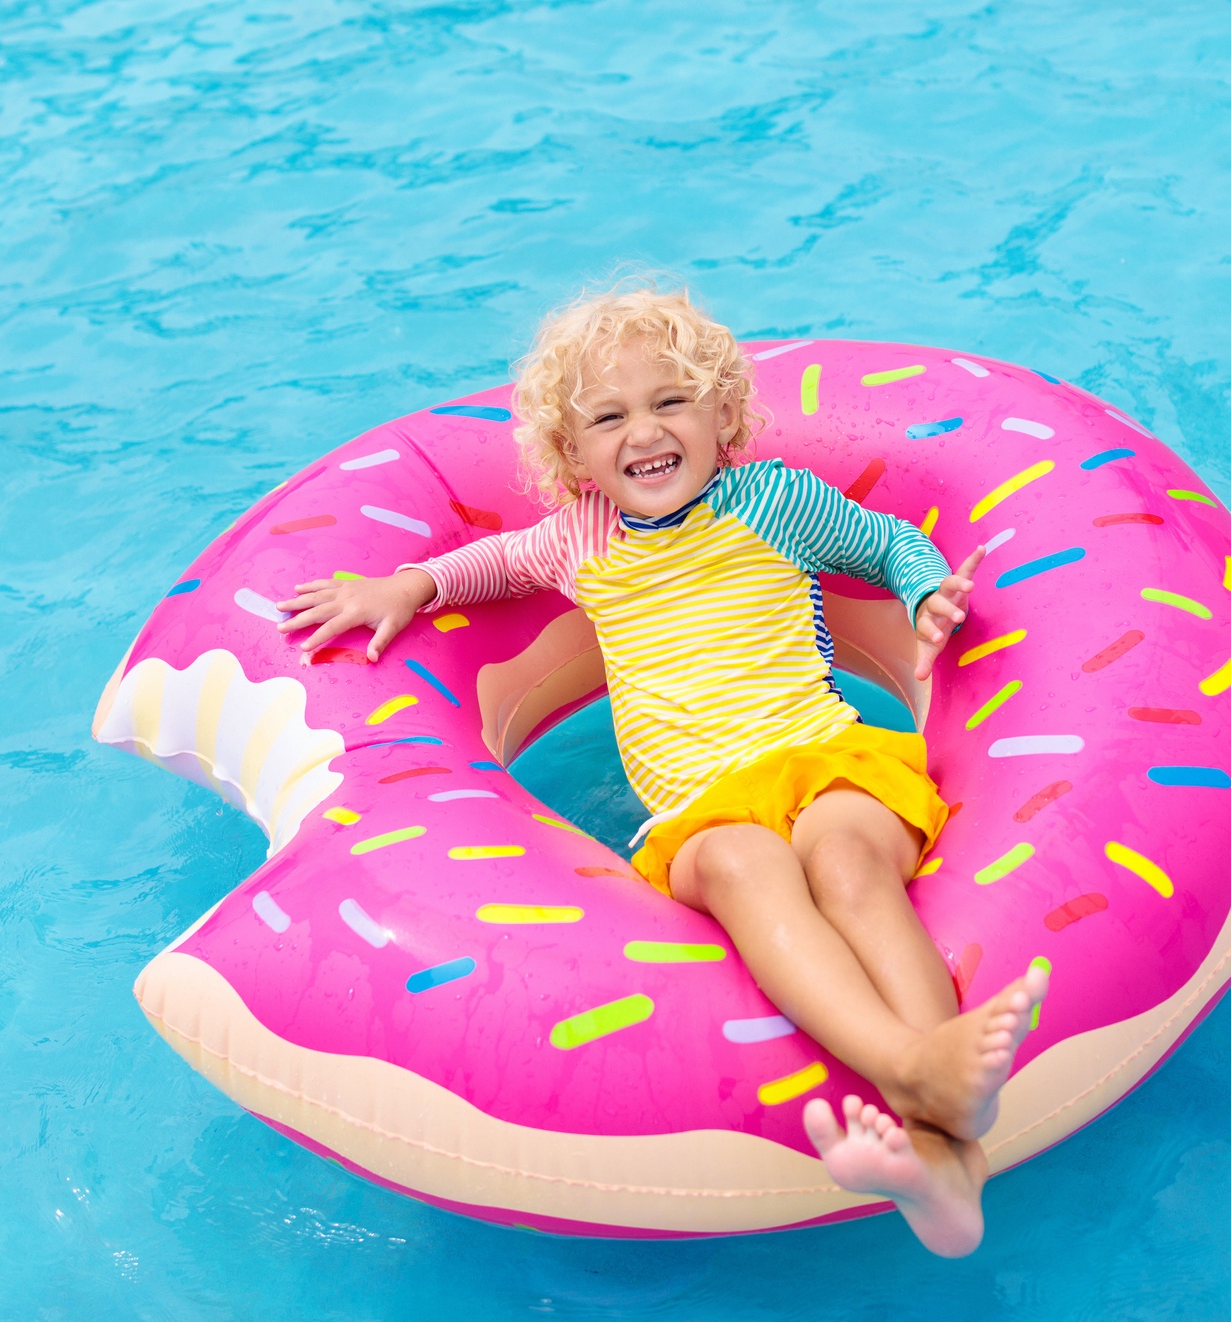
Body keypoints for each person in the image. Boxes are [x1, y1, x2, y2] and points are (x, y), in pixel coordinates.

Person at [273, 283, 1046, 1256]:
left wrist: (925, 588)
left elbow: (885, 539)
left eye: (671, 400)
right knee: (742, 867)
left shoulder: (777, 501)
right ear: (574, 454)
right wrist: (404, 583)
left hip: (821, 750)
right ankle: (918, 1075)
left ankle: (940, 1146)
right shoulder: (577, 540)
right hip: (699, 806)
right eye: (608, 416)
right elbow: (488, 564)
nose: (645, 429)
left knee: (845, 855)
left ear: (723, 417)